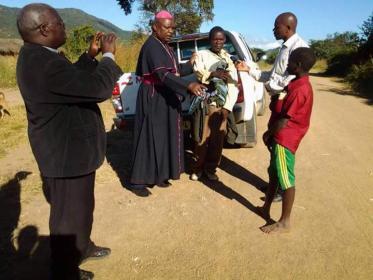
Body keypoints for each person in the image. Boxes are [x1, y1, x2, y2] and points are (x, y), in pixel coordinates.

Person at [16, 3, 122, 279]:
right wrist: (109, 58)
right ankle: (64, 271)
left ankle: (82, 247)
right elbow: (96, 88)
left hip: (73, 153)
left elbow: (72, 80)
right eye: (61, 22)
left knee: (82, 208)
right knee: (67, 217)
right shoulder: (43, 63)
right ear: (44, 29)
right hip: (64, 154)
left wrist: (90, 57)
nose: (65, 25)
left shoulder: (42, 56)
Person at [129, 10, 206, 189]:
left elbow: (174, 70)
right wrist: (189, 86)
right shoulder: (151, 46)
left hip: (165, 96)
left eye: (173, 27)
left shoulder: (165, 46)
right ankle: (139, 181)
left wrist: (190, 65)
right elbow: (162, 74)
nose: (171, 31)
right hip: (154, 96)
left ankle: (160, 175)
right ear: (155, 27)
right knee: (149, 138)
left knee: (164, 137)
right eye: (167, 27)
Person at [236, 12, 308, 201]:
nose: (273, 29)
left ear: (288, 27)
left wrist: (267, 86)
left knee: (280, 147)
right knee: (274, 148)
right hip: (279, 104)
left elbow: (284, 82)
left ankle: (283, 190)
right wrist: (250, 70)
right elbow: (274, 75)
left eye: (276, 26)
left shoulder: (298, 49)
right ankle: (275, 186)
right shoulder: (285, 48)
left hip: (286, 106)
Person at [257, 47, 316, 234]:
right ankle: (266, 207)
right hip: (280, 138)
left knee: (285, 179)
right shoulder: (295, 83)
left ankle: (284, 222)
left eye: (290, 61)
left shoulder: (301, 89)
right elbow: (280, 106)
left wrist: (269, 134)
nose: (287, 64)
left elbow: (284, 120)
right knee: (274, 174)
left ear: (297, 65)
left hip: (284, 139)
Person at [189, 26, 239, 181]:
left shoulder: (228, 59)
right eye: (215, 39)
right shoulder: (202, 55)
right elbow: (198, 71)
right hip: (205, 103)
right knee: (201, 138)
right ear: (210, 40)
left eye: (221, 39)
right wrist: (212, 74)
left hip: (221, 106)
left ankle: (211, 169)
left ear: (225, 40)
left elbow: (233, 84)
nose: (218, 42)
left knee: (217, 140)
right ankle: (198, 169)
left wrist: (227, 107)